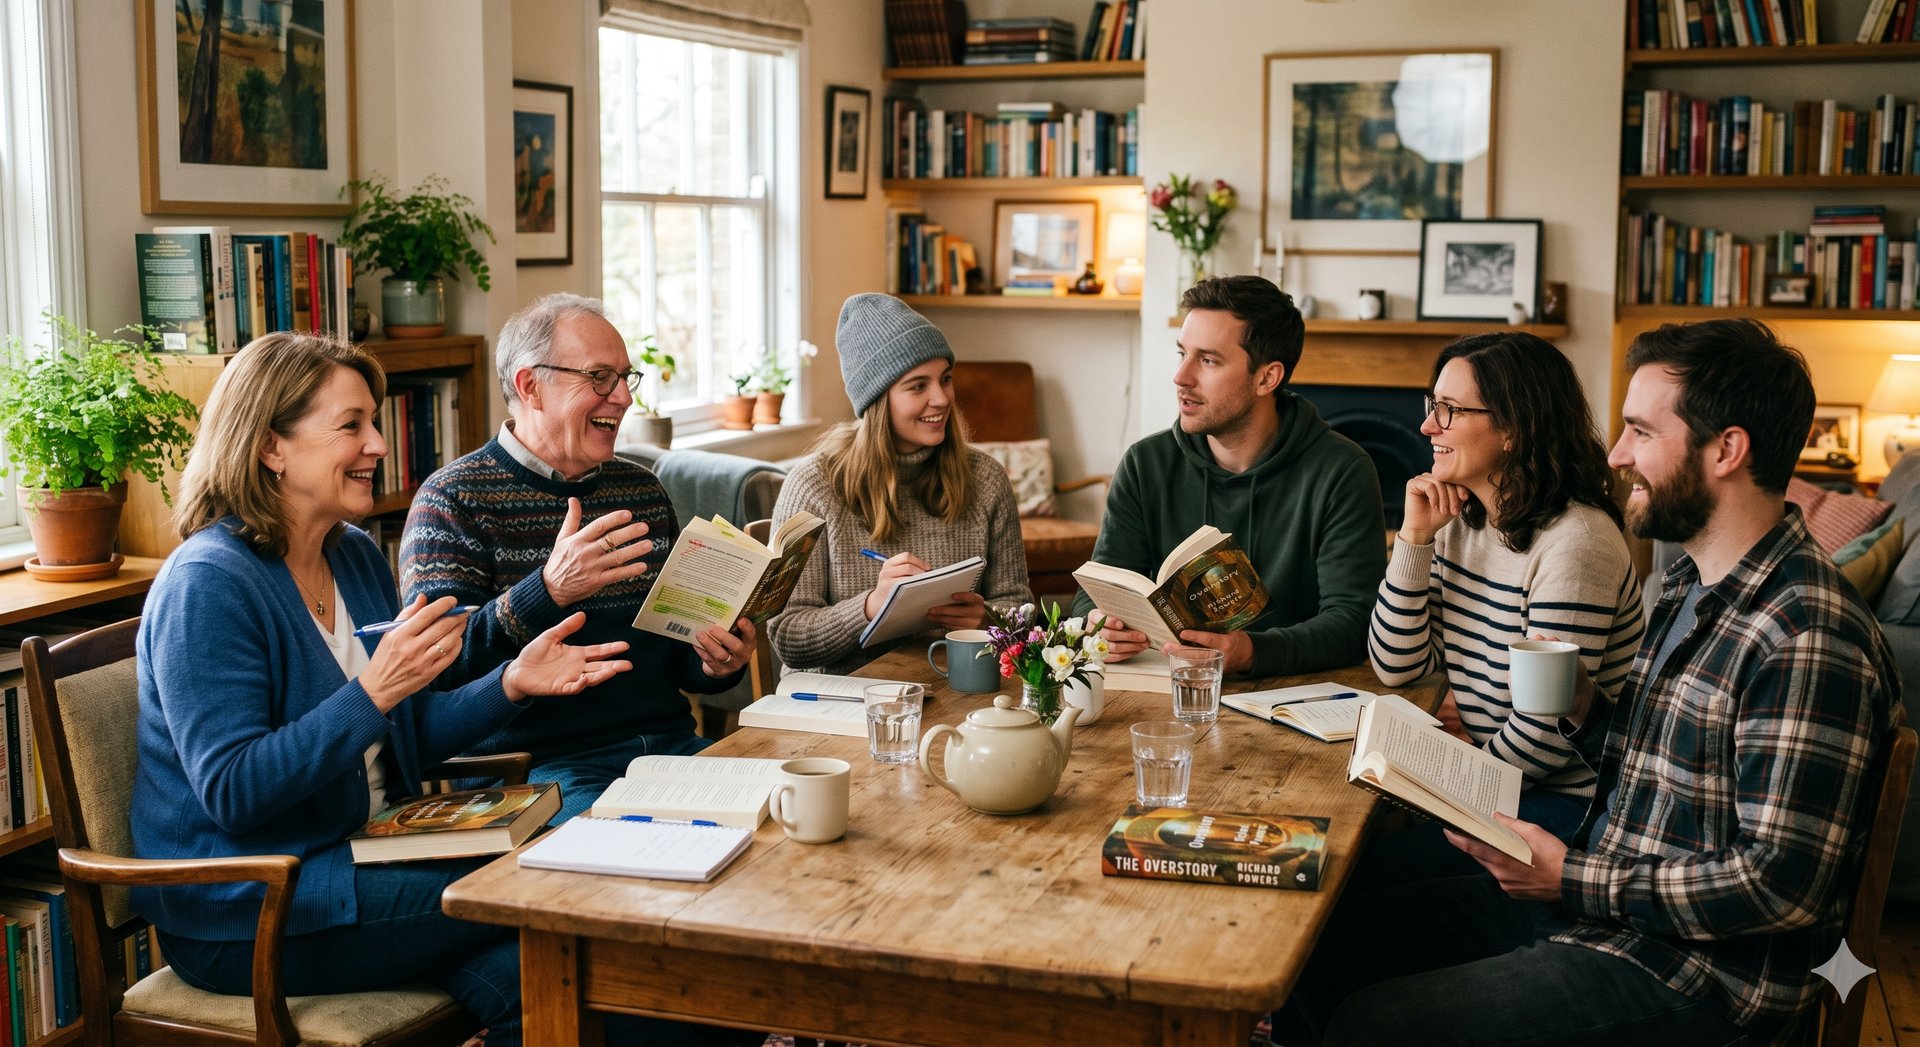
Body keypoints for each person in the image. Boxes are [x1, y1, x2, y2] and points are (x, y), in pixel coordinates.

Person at [1279, 319, 1901, 1046]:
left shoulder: (1806, 635)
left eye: (1641, 431)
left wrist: (1568, 877)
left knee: (1373, 1026)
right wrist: (1583, 708)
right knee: (1322, 937)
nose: (1616, 454)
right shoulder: (1690, 584)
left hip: (1700, 979)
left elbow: (1779, 887)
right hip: (1609, 909)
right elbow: (1656, 761)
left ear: (1727, 450)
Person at [134, 333, 633, 1045]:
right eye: (351, 425)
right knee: (551, 888)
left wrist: (511, 683)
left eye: (374, 421)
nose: (378, 444)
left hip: (363, 854)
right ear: (271, 447)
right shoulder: (207, 583)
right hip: (253, 904)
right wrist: (373, 690)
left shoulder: (354, 555)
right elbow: (234, 790)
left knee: (561, 977)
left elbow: (402, 736)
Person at [400, 293, 755, 823]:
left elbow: (677, 659)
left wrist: (715, 663)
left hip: (669, 748)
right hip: (533, 771)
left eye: (625, 379)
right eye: (599, 378)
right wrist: (548, 591)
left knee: (792, 814)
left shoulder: (641, 489)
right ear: (529, 386)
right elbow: (438, 669)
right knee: (650, 849)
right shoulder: (452, 500)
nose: (622, 398)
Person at [1366, 332, 1644, 861]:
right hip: (1499, 777)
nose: (1428, 426)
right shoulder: (1456, 521)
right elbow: (1397, 666)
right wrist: (1414, 538)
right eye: (1432, 405)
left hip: (1568, 804)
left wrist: (1454, 778)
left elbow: (1547, 731)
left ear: (1515, 428)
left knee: (1363, 873)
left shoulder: (1576, 542)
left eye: (1450, 410)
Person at [1072, 275, 1385, 677]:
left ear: (1267, 378)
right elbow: (1095, 592)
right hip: (1171, 686)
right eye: (1182, 353)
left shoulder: (1342, 470)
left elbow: (1355, 622)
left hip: (1297, 693)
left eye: (1208, 360)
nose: (1181, 376)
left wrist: (1253, 652)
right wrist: (1099, 624)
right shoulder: (1145, 463)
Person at [769, 293, 1032, 674]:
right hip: (840, 697)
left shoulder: (986, 478)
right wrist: (872, 606)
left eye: (945, 379)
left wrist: (988, 619)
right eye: (918, 386)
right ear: (877, 400)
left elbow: (1020, 610)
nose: (941, 398)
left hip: (953, 686)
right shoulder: (812, 485)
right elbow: (787, 638)